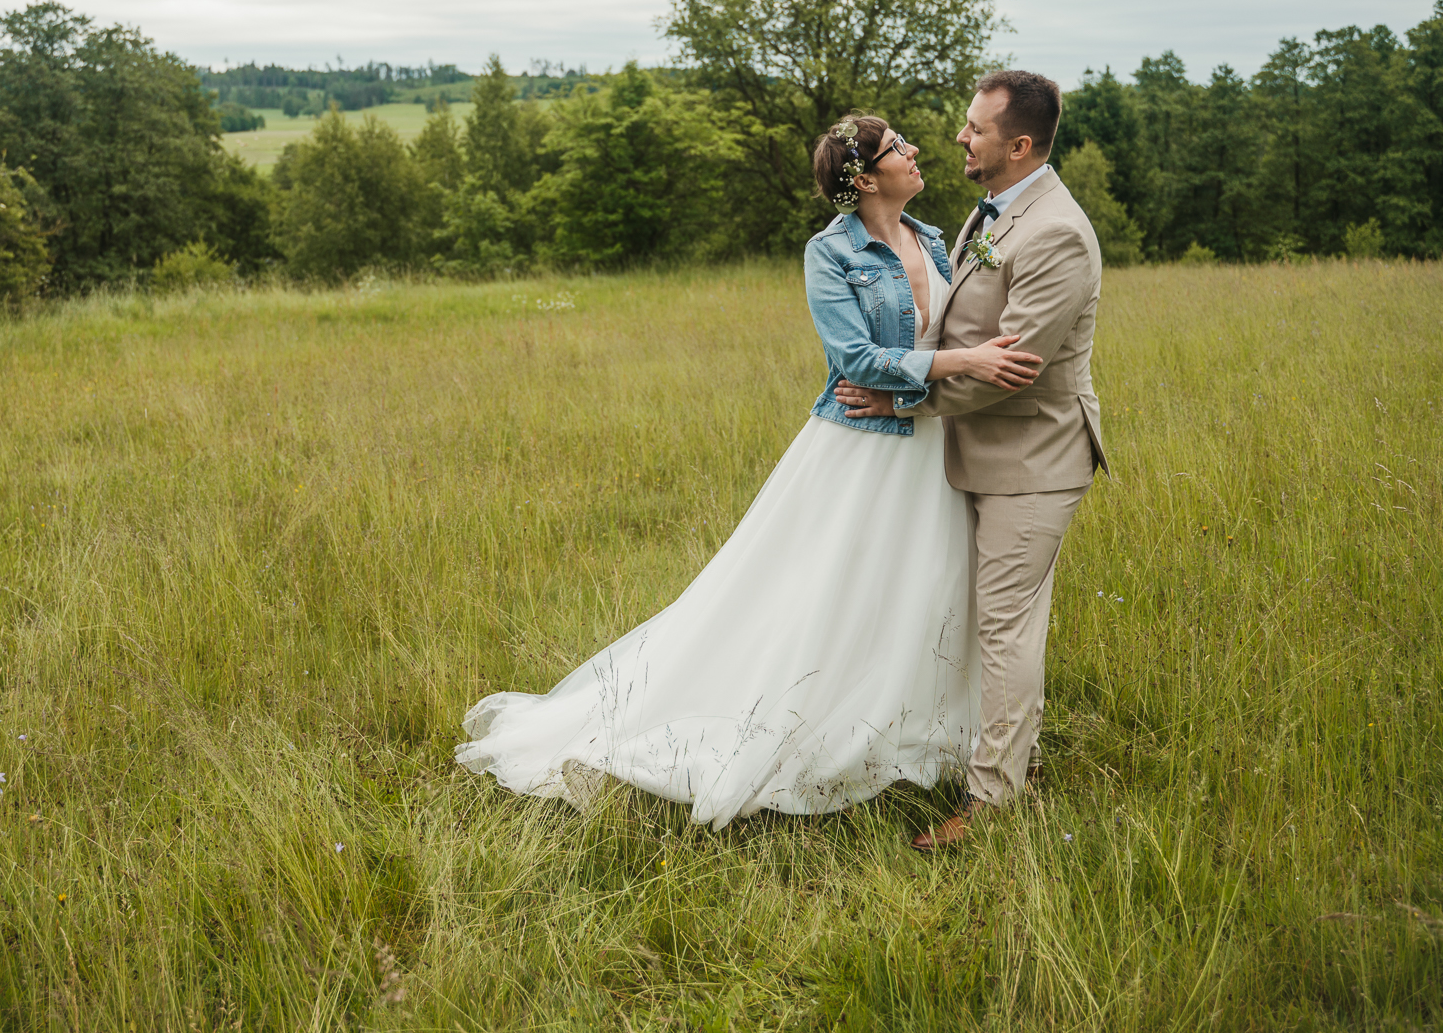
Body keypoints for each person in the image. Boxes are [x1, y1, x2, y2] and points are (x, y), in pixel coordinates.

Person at [455, 114, 1043, 828]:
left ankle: (918, 726)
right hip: (862, 446)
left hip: (930, 443)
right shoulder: (829, 253)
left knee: (924, 586)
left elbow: (950, 328)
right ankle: (798, 719)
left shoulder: (932, 238)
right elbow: (854, 360)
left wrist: (956, 367)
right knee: (829, 593)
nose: (916, 149)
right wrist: (963, 363)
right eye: (897, 147)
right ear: (864, 179)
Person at [835, 69, 1109, 849]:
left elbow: (1008, 369)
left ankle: (993, 801)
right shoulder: (993, 209)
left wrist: (900, 400)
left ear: (1018, 145)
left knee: (1005, 627)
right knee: (987, 621)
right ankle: (1002, 755)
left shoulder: (1056, 232)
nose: (959, 136)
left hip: (1033, 458)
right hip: (979, 452)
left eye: (975, 128)